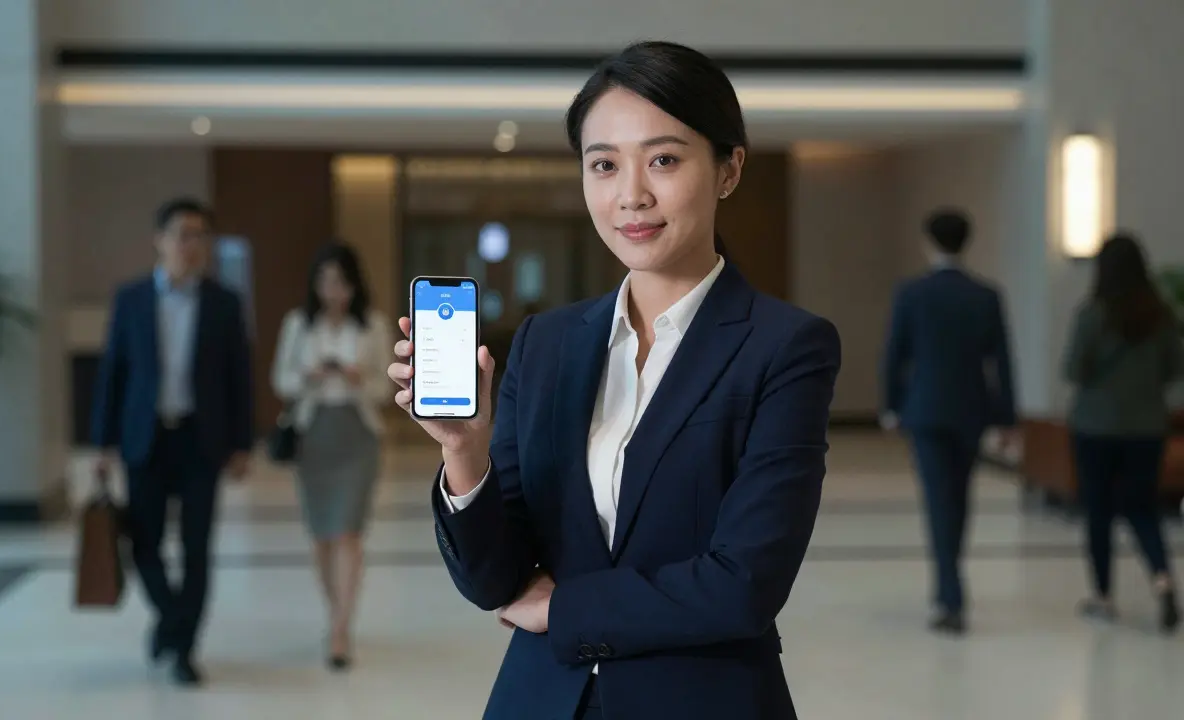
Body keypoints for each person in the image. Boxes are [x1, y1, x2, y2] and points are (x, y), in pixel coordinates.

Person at [388, 41, 841, 720]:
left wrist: (563, 607)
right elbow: (493, 581)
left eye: (664, 160)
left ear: (728, 169)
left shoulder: (785, 348)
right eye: (604, 164)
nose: (631, 195)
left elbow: (745, 582)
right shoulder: (546, 344)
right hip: (540, 700)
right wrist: (464, 451)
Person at [91, 197, 254, 687]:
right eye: (182, 234)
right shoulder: (131, 298)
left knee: (197, 546)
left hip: (201, 439)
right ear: (159, 241)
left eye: (200, 236)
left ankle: (182, 649)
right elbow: (113, 372)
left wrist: (242, 444)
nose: (191, 244)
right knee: (144, 542)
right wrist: (102, 443)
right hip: (146, 439)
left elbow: (239, 378)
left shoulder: (224, 303)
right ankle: (172, 618)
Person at [881, 209, 1017, 635]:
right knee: (958, 498)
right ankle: (950, 585)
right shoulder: (986, 295)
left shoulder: (912, 293)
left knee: (939, 500)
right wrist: (1007, 417)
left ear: (929, 242)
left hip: (925, 410)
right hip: (971, 409)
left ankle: (950, 596)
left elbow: (895, 353)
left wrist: (891, 405)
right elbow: (1002, 361)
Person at [271, 243, 393, 669]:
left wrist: (358, 379)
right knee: (323, 533)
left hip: (357, 433)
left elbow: (385, 388)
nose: (333, 291)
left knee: (348, 532)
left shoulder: (373, 325)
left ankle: (342, 627)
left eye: (341, 282)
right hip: (314, 432)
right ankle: (333, 612)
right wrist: (309, 375)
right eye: (325, 282)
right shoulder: (299, 324)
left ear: (354, 285)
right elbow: (281, 379)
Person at [1060, 232, 1181, 632]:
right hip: (1147, 426)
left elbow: (1073, 370)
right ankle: (1162, 581)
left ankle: (1103, 596)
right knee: (1143, 508)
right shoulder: (1161, 316)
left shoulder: (1091, 315)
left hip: (1095, 426)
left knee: (1098, 511)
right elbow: (1174, 368)